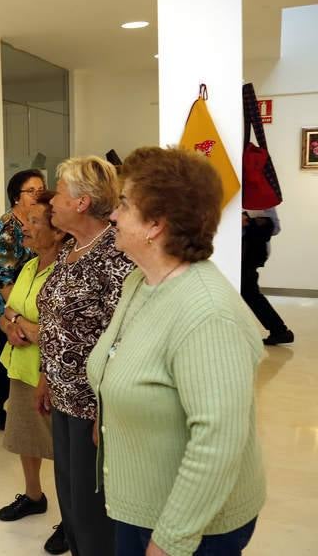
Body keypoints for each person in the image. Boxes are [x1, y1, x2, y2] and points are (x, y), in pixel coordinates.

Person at [87, 146, 266, 556]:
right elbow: (120, 363)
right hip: (143, 506)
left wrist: (170, 541)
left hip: (190, 527)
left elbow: (218, 443)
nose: (113, 215)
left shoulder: (207, 314)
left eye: (124, 205)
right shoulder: (140, 283)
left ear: (156, 225)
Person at [36, 156, 134, 556]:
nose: (51, 200)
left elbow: (123, 338)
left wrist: (105, 408)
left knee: (92, 508)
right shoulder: (71, 249)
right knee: (70, 499)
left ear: (81, 202)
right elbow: (56, 324)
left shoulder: (114, 254)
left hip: (92, 404)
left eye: (59, 190)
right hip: (62, 397)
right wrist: (46, 376)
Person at [0, 191, 69, 554]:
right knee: (26, 438)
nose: (24, 226)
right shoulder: (29, 266)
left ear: (58, 232)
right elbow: (4, 312)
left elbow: (55, 332)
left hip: (51, 375)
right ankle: (33, 495)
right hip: (21, 368)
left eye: (35, 221)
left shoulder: (65, 272)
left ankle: (72, 519)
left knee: (64, 451)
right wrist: (13, 323)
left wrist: (19, 322)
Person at [0, 169, 45, 431]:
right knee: (4, 363)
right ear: (16, 197)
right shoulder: (7, 229)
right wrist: (15, 316)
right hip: (4, 306)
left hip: (24, 304)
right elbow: (3, 280)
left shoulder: (35, 221)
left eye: (41, 190)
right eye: (31, 191)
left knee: (4, 363)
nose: (38, 195)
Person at [241, 208, 294, 345]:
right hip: (238, 252)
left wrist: (248, 222)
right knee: (248, 292)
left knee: (249, 292)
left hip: (249, 253)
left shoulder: (262, 203)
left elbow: (275, 228)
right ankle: (279, 330)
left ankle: (279, 330)